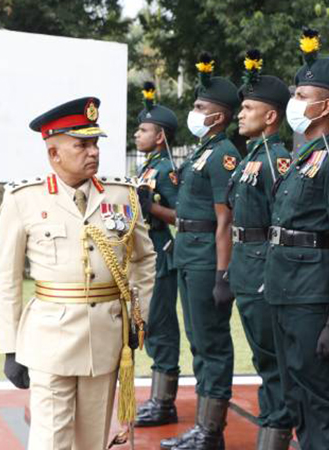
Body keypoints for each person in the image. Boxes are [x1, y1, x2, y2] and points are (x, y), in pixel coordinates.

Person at [0, 97, 156, 450]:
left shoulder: (122, 194)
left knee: (92, 440)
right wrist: (10, 347)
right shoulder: (24, 198)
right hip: (49, 339)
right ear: (54, 154)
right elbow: (7, 279)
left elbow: (144, 259)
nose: (93, 152)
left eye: (95, 143)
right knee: (50, 439)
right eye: (81, 145)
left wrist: (138, 318)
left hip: (106, 336)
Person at [264, 29, 329, 450]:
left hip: (311, 296)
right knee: (296, 393)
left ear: (324, 106)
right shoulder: (304, 155)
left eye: (302, 95)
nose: (294, 103)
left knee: (321, 395)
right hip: (285, 290)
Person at [160, 53, 241, 450]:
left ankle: (211, 431)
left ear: (218, 116)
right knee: (197, 340)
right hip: (188, 253)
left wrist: (223, 275)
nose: (192, 113)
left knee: (212, 342)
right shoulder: (201, 151)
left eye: (198, 107)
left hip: (208, 257)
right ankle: (203, 427)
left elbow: (225, 219)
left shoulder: (224, 154)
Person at [225, 49, 293, 450]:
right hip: (245, 268)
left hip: (262, 271)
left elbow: (278, 225)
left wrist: (270, 275)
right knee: (262, 357)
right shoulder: (251, 157)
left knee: (272, 361)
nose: (240, 114)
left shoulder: (276, 160)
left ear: (270, 116)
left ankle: (275, 435)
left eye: (248, 108)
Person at [133, 82, 183, 427]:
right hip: (143, 254)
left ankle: (164, 402)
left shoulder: (166, 170)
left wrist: (151, 207)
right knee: (148, 325)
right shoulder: (148, 167)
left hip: (160, 254)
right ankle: (157, 397)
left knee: (162, 324)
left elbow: (182, 215)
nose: (137, 134)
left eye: (144, 130)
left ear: (160, 136)